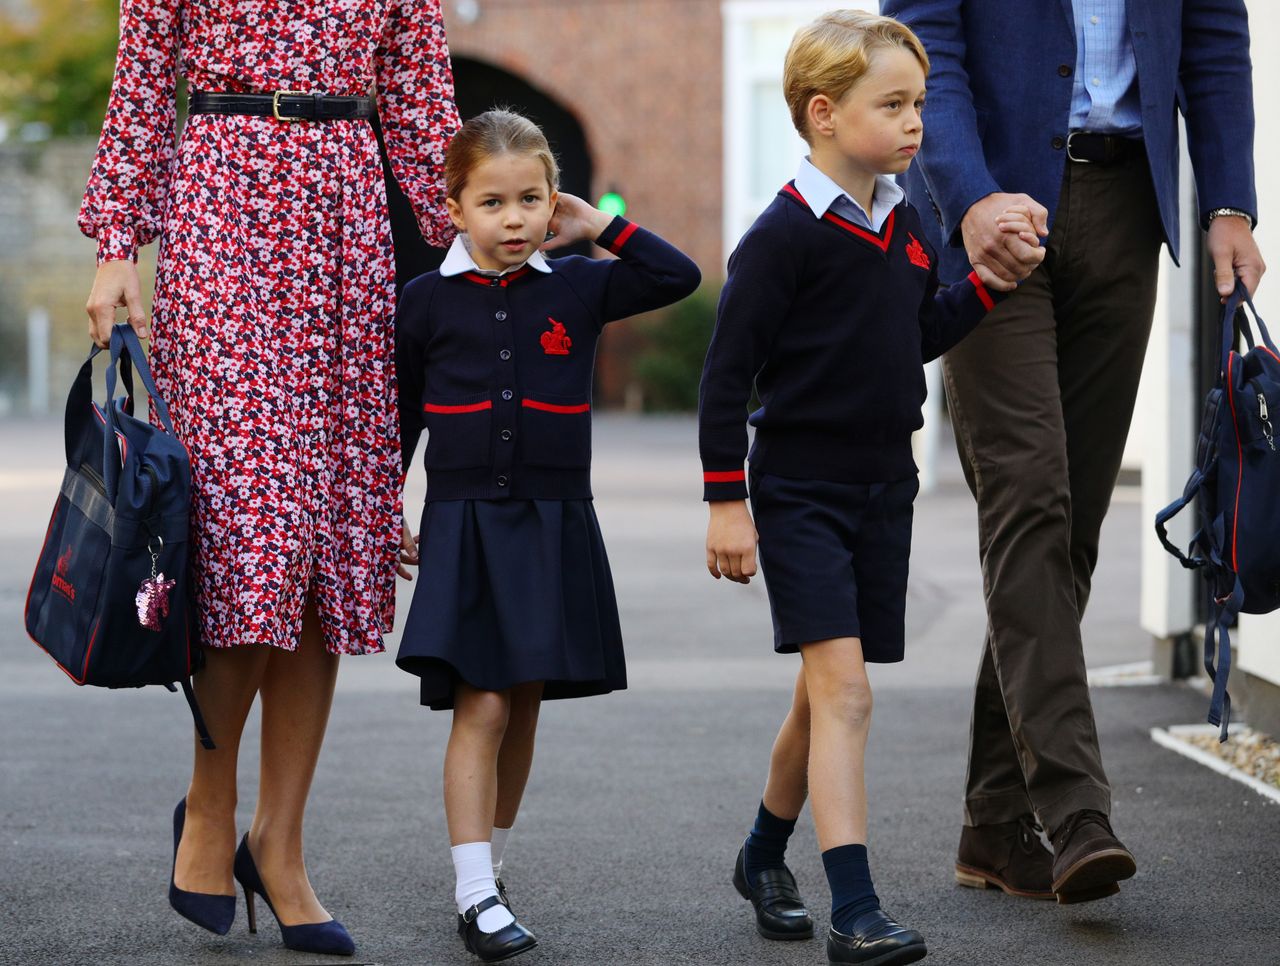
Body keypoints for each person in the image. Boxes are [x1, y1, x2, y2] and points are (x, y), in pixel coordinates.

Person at [78, 0, 460, 955]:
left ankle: (279, 843)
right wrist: (115, 244)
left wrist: (487, 236)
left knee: (326, 533)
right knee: (252, 531)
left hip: (345, 213)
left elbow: (421, 98)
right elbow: (141, 81)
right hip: (221, 199)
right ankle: (209, 808)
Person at [881, 0, 1266, 903]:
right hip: (991, 209)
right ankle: (1077, 808)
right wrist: (966, 196)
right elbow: (925, 44)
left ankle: (991, 822)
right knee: (1028, 499)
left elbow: (1213, 44)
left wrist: (1230, 200)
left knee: (1071, 529)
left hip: (1129, 208)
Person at [698, 12, 1040, 966]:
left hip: (882, 487)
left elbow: (913, 334)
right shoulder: (780, 237)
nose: (915, 122)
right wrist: (728, 500)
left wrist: (987, 285)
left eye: (919, 103)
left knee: (823, 695)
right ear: (822, 115)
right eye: (893, 105)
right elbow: (727, 378)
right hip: (799, 489)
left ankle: (762, 854)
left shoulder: (911, 223)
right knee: (846, 692)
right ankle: (856, 908)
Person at [394, 109, 701, 963]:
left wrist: (599, 225)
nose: (515, 219)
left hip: (555, 518)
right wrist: (386, 500)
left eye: (532, 199)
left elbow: (677, 274)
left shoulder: (577, 283)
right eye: (492, 203)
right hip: (466, 523)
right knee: (482, 701)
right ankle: (472, 894)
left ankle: (489, 868)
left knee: (522, 700)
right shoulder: (423, 302)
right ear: (453, 207)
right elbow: (401, 416)